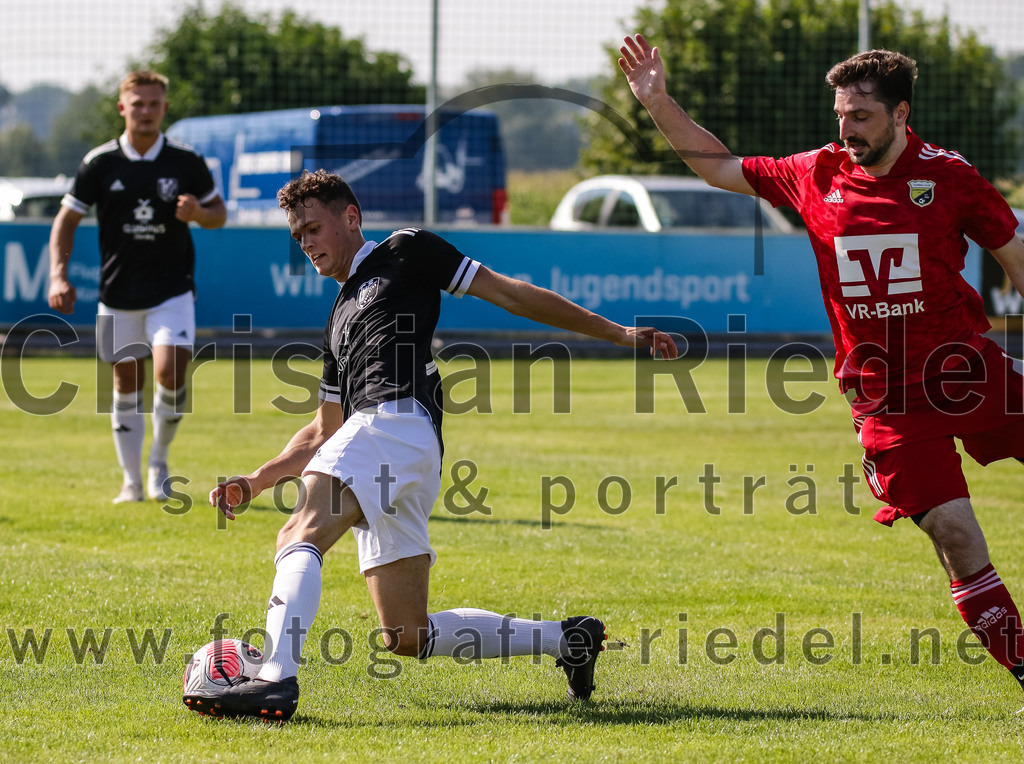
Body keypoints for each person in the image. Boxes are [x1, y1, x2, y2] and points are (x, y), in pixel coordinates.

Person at [185, 169, 678, 721]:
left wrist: (617, 332)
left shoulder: (406, 249)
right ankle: (568, 639)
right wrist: (256, 480)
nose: (306, 245)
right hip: (398, 446)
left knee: (300, 530)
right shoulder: (336, 320)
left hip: (392, 425)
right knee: (405, 634)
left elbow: (510, 294)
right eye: (298, 236)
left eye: (314, 228)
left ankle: (275, 677)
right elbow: (323, 430)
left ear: (351, 218)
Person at [619, 33, 1024, 696]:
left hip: (971, 374)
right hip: (888, 403)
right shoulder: (817, 175)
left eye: (861, 115)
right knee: (955, 534)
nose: (846, 128)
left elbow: (1018, 262)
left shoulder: (949, 178)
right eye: (839, 114)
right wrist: (657, 101)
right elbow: (719, 167)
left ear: (900, 115)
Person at [48, 71, 226, 504]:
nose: (145, 111)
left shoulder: (186, 161)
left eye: (154, 104)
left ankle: (158, 461)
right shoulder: (99, 163)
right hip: (116, 294)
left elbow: (218, 212)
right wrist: (58, 273)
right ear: (122, 108)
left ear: (164, 108)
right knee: (125, 382)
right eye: (138, 103)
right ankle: (130, 481)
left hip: (172, 290)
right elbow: (66, 220)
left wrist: (198, 214)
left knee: (169, 372)